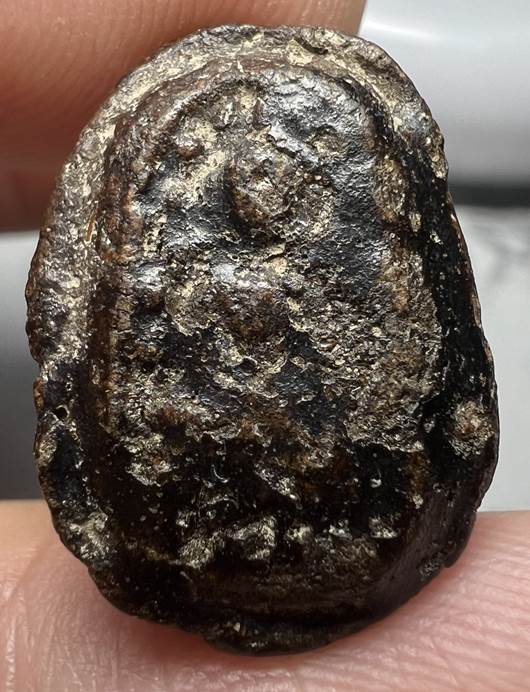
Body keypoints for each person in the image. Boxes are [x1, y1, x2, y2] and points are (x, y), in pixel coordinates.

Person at [1, 2, 529, 689]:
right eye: (246, 180)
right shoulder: (179, 228)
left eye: (279, 181)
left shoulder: (337, 237)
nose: (258, 194)